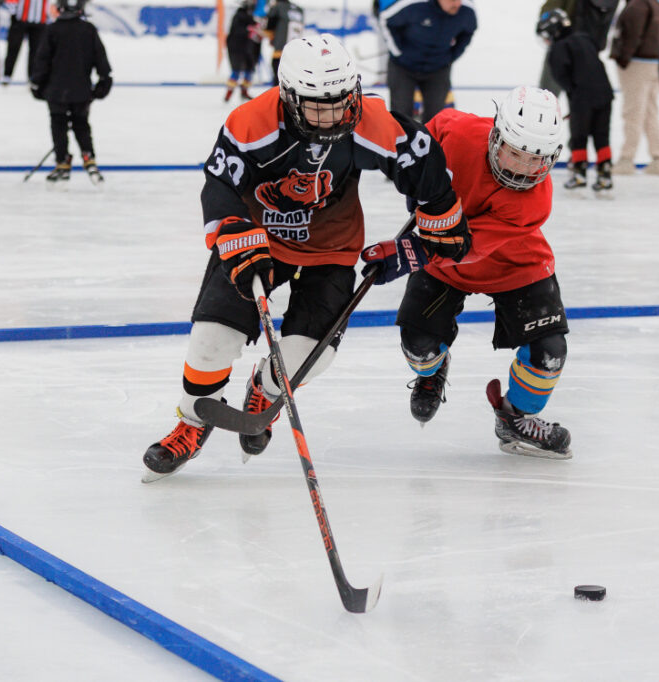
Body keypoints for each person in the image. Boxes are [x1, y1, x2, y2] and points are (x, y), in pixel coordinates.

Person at [141, 34, 472, 480]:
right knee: (210, 342)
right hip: (260, 242)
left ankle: (266, 389)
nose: (335, 114)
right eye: (319, 105)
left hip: (331, 251)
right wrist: (235, 233)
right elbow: (219, 183)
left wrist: (437, 225)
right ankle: (192, 421)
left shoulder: (366, 119)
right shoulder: (251, 122)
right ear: (290, 98)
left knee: (306, 358)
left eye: (342, 101)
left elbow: (420, 156)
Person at [361, 86, 572, 459]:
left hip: (515, 264)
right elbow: (419, 146)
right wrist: (419, 188)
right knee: (418, 346)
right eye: (514, 154)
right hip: (444, 263)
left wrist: (408, 251)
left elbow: (465, 247)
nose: (522, 171)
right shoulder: (455, 130)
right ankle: (431, 372)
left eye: (535, 162)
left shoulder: (535, 200)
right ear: (495, 135)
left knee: (549, 353)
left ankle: (515, 417)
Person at [29, 0, 112, 184]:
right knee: (81, 123)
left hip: (56, 90)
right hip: (80, 89)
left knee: (58, 124)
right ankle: (88, 157)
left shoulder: (52, 30)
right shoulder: (88, 30)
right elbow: (100, 57)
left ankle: (62, 161)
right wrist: (104, 79)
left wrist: (36, 84)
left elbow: (42, 60)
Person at [539, 8, 614, 191]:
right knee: (602, 136)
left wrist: (575, 98)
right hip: (605, 94)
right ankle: (605, 175)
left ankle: (579, 174)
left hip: (583, 98)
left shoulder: (558, 48)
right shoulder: (584, 37)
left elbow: (562, 77)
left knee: (579, 137)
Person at [380, 0, 477, 124]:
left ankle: (431, 142)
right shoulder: (412, 4)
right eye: (452, 0)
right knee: (401, 115)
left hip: (438, 68)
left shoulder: (467, 9)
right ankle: (402, 142)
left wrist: (452, 55)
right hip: (403, 67)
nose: (456, 4)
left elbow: (469, 31)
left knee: (436, 116)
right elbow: (385, 20)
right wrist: (398, 52)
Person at [608, 0, 659, 175]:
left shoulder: (637, 5)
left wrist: (623, 59)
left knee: (632, 112)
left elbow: (632, 36)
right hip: (655, 63)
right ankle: (657, 158)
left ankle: (627, 159)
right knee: (651, 112)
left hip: (637, 63)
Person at [537, 0, 619, 97]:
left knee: (546, 95)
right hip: (590, 49)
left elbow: (549, 9)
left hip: (564, 44)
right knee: (583, 100)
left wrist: (550, 28)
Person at [3, 0, 49, 84]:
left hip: (40, 21)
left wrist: (49, 15)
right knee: (14, 46)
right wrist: (13, 13)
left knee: (36, 50)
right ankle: (7, 74)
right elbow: (11, 1)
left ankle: (32, 76)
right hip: (20, 20)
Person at [224, 0, 261, 102]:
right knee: (236, 70)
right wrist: (249, 30)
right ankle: (228, 94)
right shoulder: (239, 16)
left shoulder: (249, 16)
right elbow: (237, 31)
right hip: (236, 48)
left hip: (246, 47)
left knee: (249, 70)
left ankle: (244, 92)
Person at [263, 0, 304, 86]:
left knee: (278, 80)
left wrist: (270, 36)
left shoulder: (278, 7)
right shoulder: (299, 9)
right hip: (296, 52)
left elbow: (269, 25)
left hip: (280, 51)